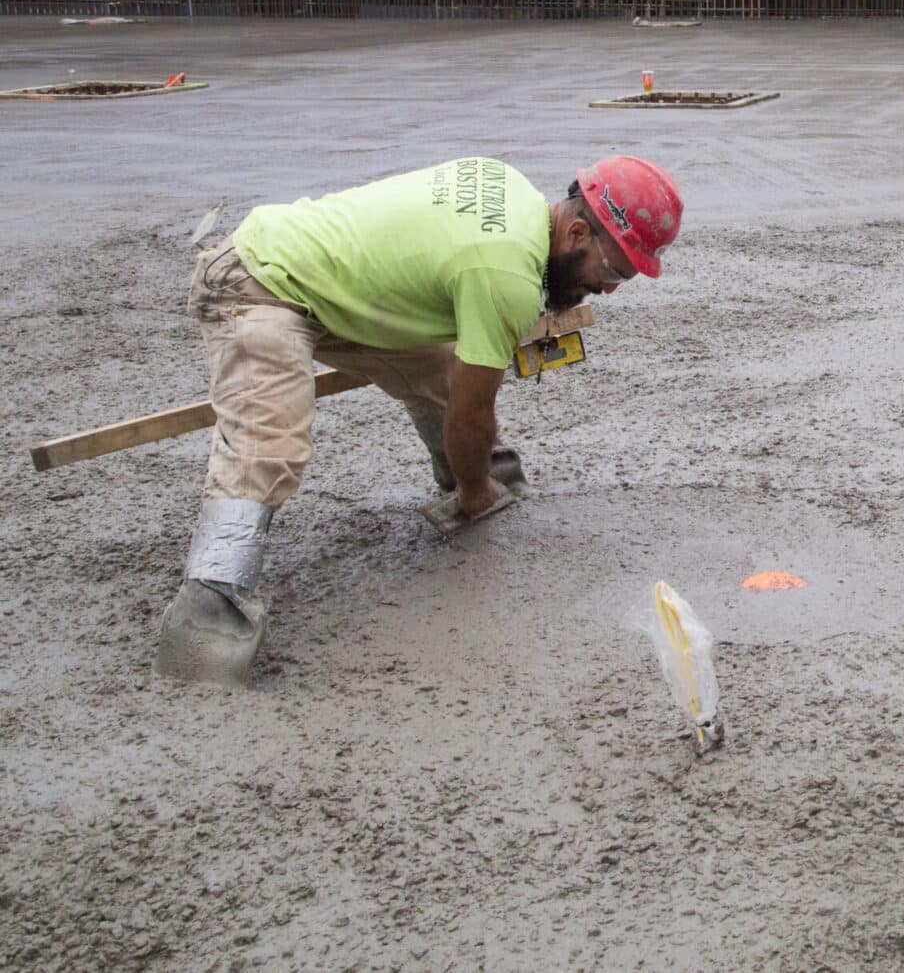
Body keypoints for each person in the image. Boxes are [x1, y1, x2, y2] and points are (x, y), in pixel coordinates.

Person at [155, 154, 683, 687]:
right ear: (574, 233)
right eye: (612, 271)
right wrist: (476, 494)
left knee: (442, 372)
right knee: (268, 442)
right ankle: (204, 630)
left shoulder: (511, 189)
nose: (609, 289)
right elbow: (474, 410)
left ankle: (473, 473)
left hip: (333, 286)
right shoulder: (505, 276)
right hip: (256, 279)